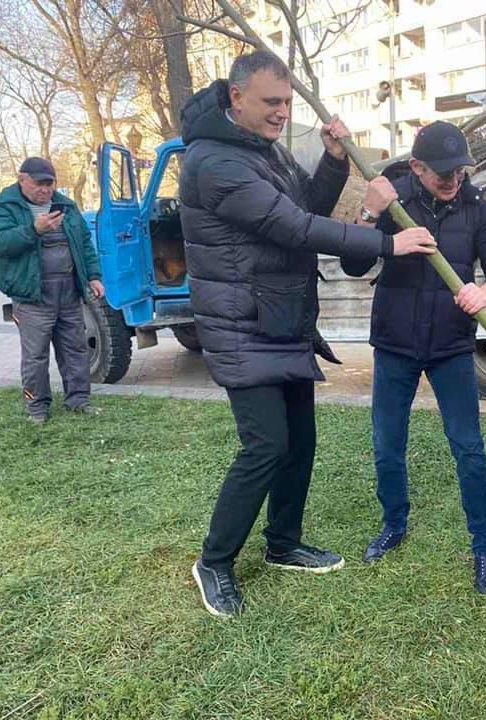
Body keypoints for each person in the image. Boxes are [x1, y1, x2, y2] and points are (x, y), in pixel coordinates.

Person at [179, 50, 437, 618]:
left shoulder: (262, 150)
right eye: (271, 102)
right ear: (235, 97)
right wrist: (386, 243)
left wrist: (333, 159)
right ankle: (214, 562)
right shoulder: (214, 163)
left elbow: (308, 205)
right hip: (241, 325)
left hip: (281, 317)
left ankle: (283, 543)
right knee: (266, 445)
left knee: (300, 442)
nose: (281, 113)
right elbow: (294, 227)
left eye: (288, 103)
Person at [341, 121, 486, 594]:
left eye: (460, 170)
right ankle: (394, 525)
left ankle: (484, 545)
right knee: (386, 446)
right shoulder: (392, 199)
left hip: (451, 346)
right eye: (443, 172)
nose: (453, 179)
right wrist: (367, 213)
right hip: (395, 343)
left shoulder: (475, 206)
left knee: (469, 448)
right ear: (417, 167)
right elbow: (353, 263)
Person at [0, 156, 105, 424]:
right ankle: (37, 409)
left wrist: (94, 276)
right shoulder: (0, 206)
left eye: (50, 184)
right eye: (39, 184)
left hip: (69, 292)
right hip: (31, 295)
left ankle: (79, 401)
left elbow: (84, 243)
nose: (46, 190)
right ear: (22, 179)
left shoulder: (66, 205)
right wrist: (33, 230)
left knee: (75, 349)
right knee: (36, 355)